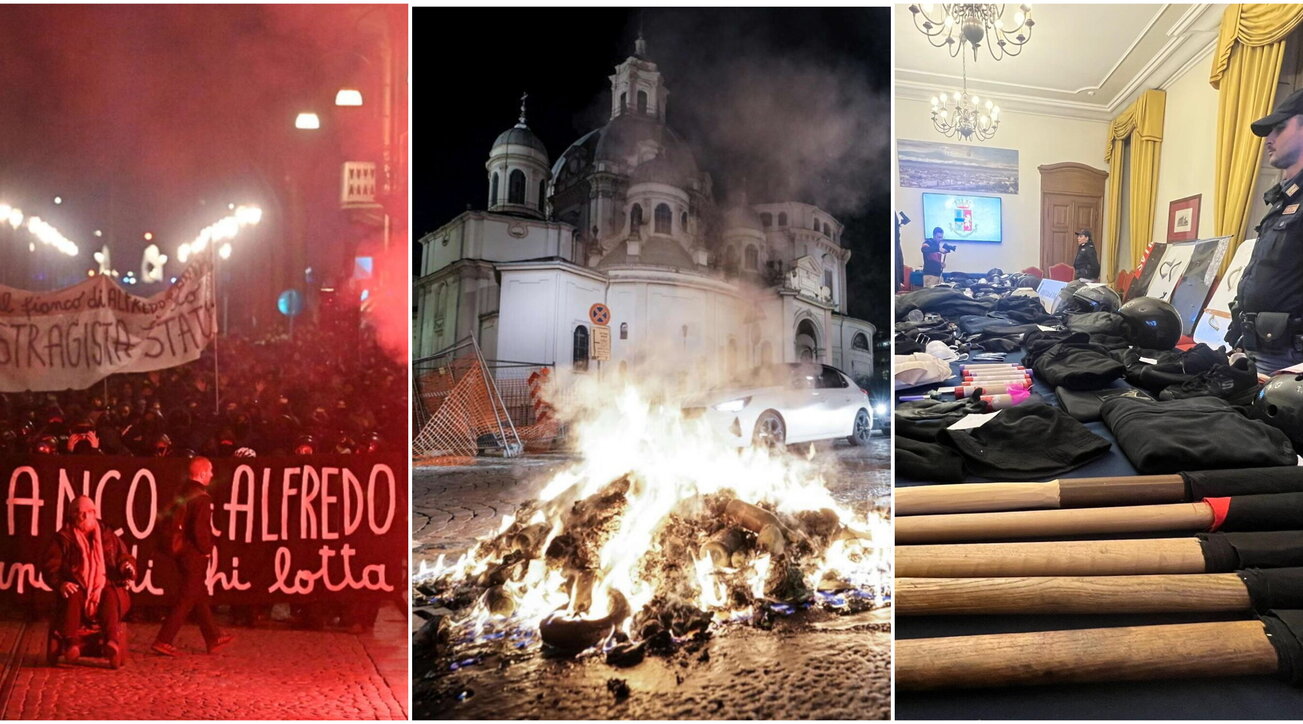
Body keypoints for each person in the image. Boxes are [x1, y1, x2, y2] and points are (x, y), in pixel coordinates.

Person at [1230, 88, 1303, 375]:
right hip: (1255, 344)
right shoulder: (1283, 199)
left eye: (1280, 127)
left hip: (1288, 356)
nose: (1268, 140)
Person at [151, 456, 233, 656]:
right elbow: (199, 530)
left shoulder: (183, 492)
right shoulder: (202, 497)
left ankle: (213, 637)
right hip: (193, 554)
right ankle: (164, 639)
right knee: (187, 598)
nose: (212, 474)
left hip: (179, 551)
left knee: (198, 594)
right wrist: (206, 549)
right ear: (203, 473)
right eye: (210, 470)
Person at [42, 496, 137, 666]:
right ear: (72, 516)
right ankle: (71, 643)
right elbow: (51, 566)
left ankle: (112, 641)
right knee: (73, 593)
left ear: (95, 514)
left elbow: (123, 556)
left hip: (103, 586)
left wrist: (127, 568)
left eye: (88, 512)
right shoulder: (63, 538)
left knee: (110, 594)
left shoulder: (108, 536)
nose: (84, 516)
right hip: (77, 586)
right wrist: (60, 583)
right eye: (79, 513)